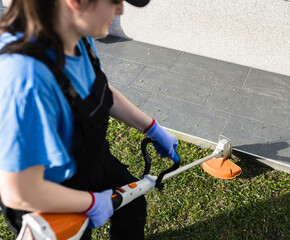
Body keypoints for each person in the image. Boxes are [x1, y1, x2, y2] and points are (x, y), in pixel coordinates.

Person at [0, 0, 180, 239]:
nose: (121, 11)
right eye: (115, 1)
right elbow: (18, 192)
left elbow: (101, 89)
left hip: (93, 161)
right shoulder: (24, 79)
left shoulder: (78, 39)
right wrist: (91, 202)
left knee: (132, 207)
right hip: (48, 195)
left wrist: (153, 128)